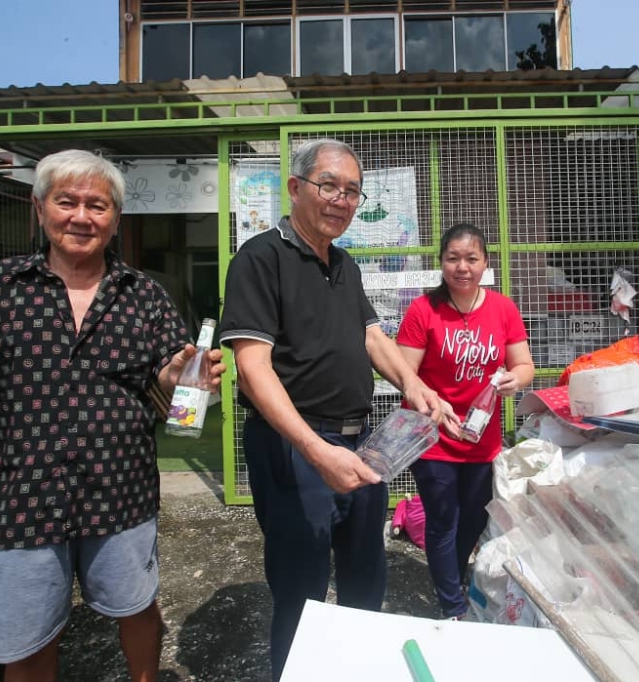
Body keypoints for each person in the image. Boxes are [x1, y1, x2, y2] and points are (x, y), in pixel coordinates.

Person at [0, 149, 225, 682]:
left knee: (137, 606)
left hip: (122, 492)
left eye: (98, 205)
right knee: (25, 633)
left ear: (116, 218)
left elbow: (167, 371)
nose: (82, 217)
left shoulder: (144, 295)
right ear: (39, 207)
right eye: (67, 202)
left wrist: (188, 374)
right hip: (23, 495)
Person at [218, 138, 442, 680]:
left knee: (366, 576)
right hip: (296, 447)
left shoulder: (344, 264)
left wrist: (414, 384)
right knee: (302, 590)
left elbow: (371, 336)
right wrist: (316, 451)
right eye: (328, 186)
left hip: (361, 442)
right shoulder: (259, 259)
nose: (340, 200)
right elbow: (253, 368)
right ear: (295, 188)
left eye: (351, 192)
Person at [396, 222, 535, 620]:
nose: (462, 267)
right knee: (443, 521)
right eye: (453, 258)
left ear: (485, 263)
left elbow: (524, 364)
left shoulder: (503, 308)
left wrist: (515, 379)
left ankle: (451, 578)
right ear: (441, 263)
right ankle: (452, 607)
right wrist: (436, 407)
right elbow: (407, 375)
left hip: (482, 438)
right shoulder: (424, 310)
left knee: (473, 521)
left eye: (471, 258)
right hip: (434, 435)